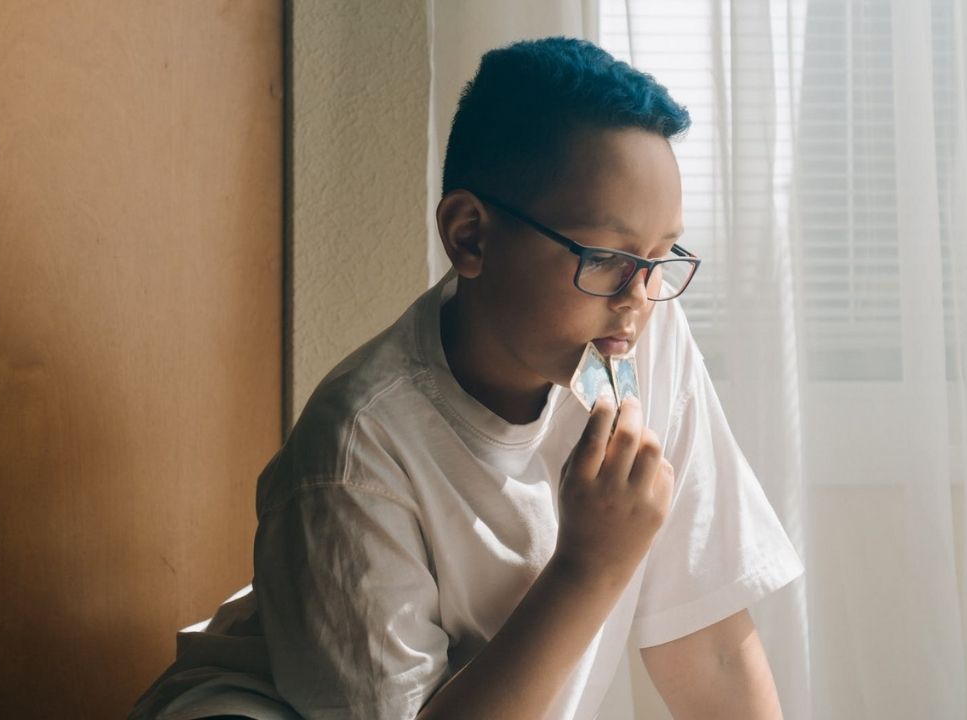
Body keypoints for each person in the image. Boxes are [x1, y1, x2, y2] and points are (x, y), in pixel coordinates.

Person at [129, 36, 804, 720]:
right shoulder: (356, 452)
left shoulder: (636, 339)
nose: (637, 296)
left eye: (660, 259)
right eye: (605, 257)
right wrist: (588, 566)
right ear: (470, 237)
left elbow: (710, 646)